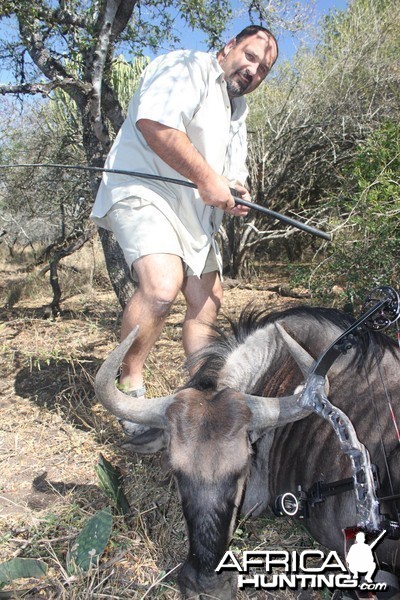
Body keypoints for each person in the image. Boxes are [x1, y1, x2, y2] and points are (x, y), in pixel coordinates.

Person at [91, 25, 279, 445]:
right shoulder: (186, 66)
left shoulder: (238, 110)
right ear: (228, 46)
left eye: (263, 68)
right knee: (161, 289)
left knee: (207, 301)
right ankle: (130, 388)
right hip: (144, 188)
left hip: (194, 214)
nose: (253, 71)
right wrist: (208, 178)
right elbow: (154, 124)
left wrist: (235, 191)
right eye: (250, 56)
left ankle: (202, 395)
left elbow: (229, 175)